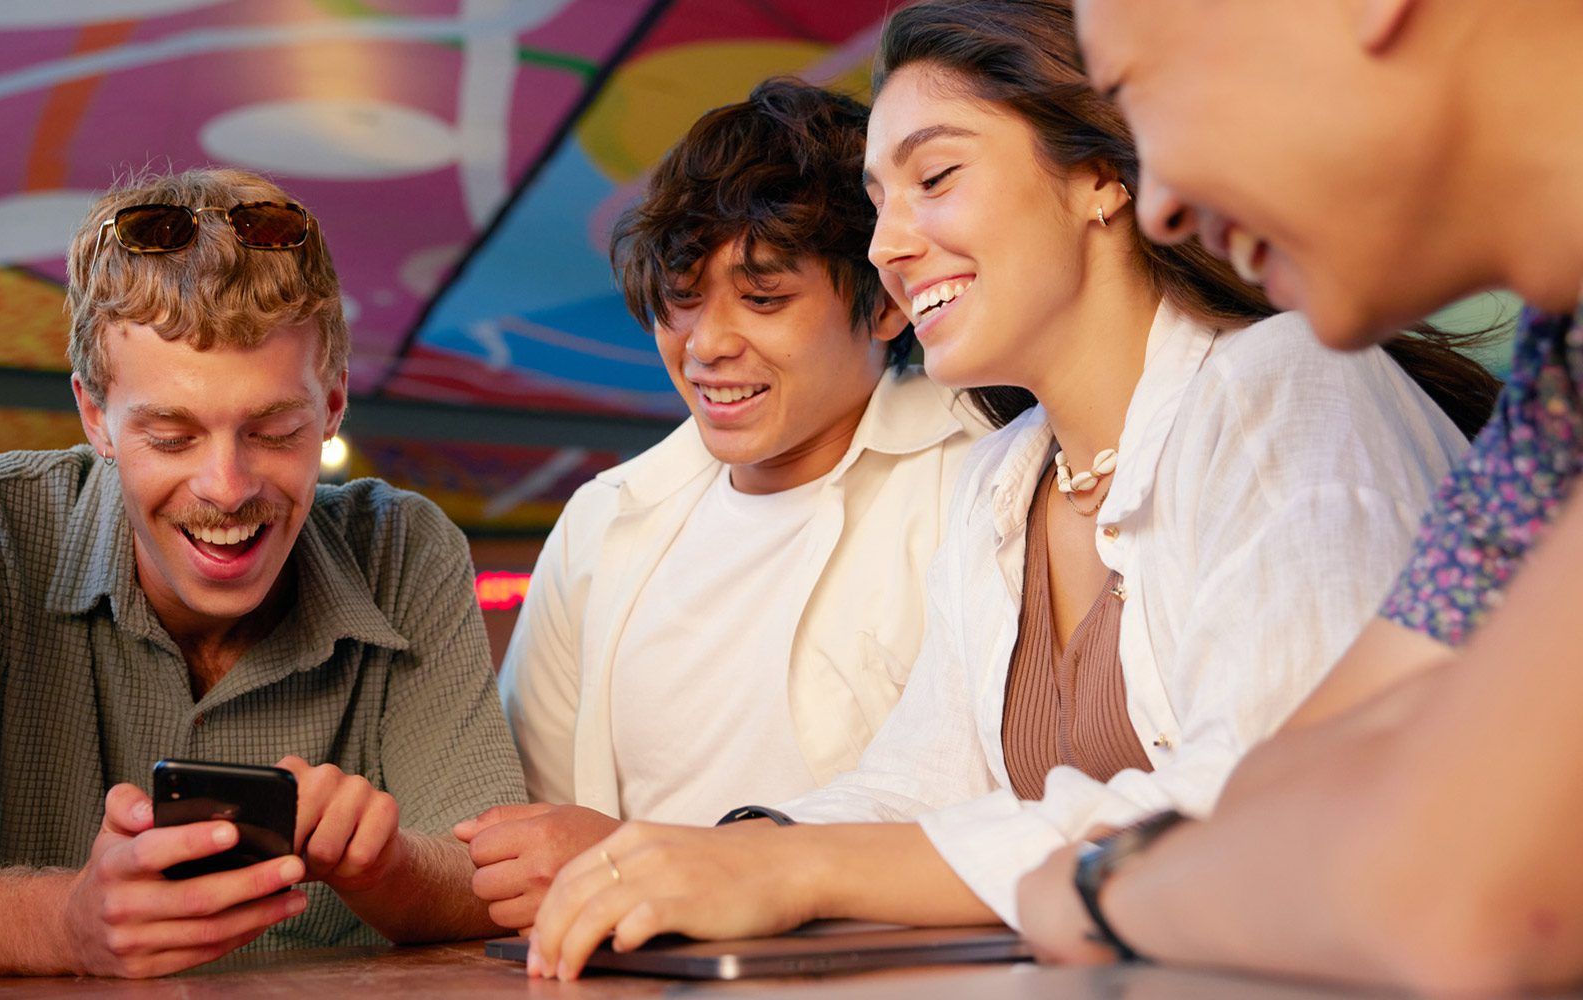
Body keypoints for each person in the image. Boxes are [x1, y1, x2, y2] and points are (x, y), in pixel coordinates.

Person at [523, 0, 1501, 979]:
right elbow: (913, 787)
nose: (885, 245)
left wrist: (801, 863)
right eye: (878, 199)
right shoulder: (1006, 476)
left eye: (934, 177)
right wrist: (723, 852)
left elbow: (1273, 801)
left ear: (1098, 177)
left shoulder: (1286, 386)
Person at [0, 166, 528, 977]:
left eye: (276, 430)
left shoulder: (406, 549)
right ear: (95, 414)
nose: (227, 488)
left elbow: (497, 881)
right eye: (171, 436)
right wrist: (66, 922)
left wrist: (386, 866)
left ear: (335, 405)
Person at [1015, 0, 1583, 993]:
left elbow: (1457, 895)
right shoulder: (1557, 373)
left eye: (1136, 92)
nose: (1158, 208)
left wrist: (1108, 883)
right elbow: (1271, 781)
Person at [453, 79, 986, 931]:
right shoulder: (604, 521)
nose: (707, 346)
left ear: (885, 301)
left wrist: (640, 856)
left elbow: (1009, 816)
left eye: (765, 299)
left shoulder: (986, 482)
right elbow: (535, 826)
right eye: (684, 296)